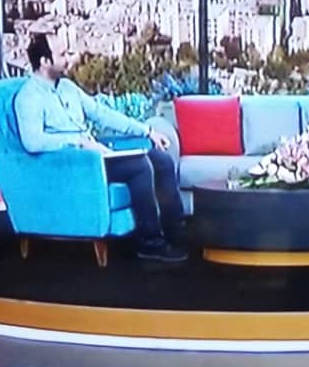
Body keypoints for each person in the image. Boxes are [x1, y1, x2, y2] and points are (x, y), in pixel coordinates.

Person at [14, 33, 187, 262]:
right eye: (62, 54)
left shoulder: (67, 87)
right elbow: (33, 141)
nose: (69, 58)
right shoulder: (28, 97)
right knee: (139, 166)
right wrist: (76, 142)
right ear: (45, 61)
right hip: (73, 164)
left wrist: (147, 131)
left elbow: (102, 114)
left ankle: (177, 231)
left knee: (160, 159)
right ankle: (149, 242)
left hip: (94, 154)